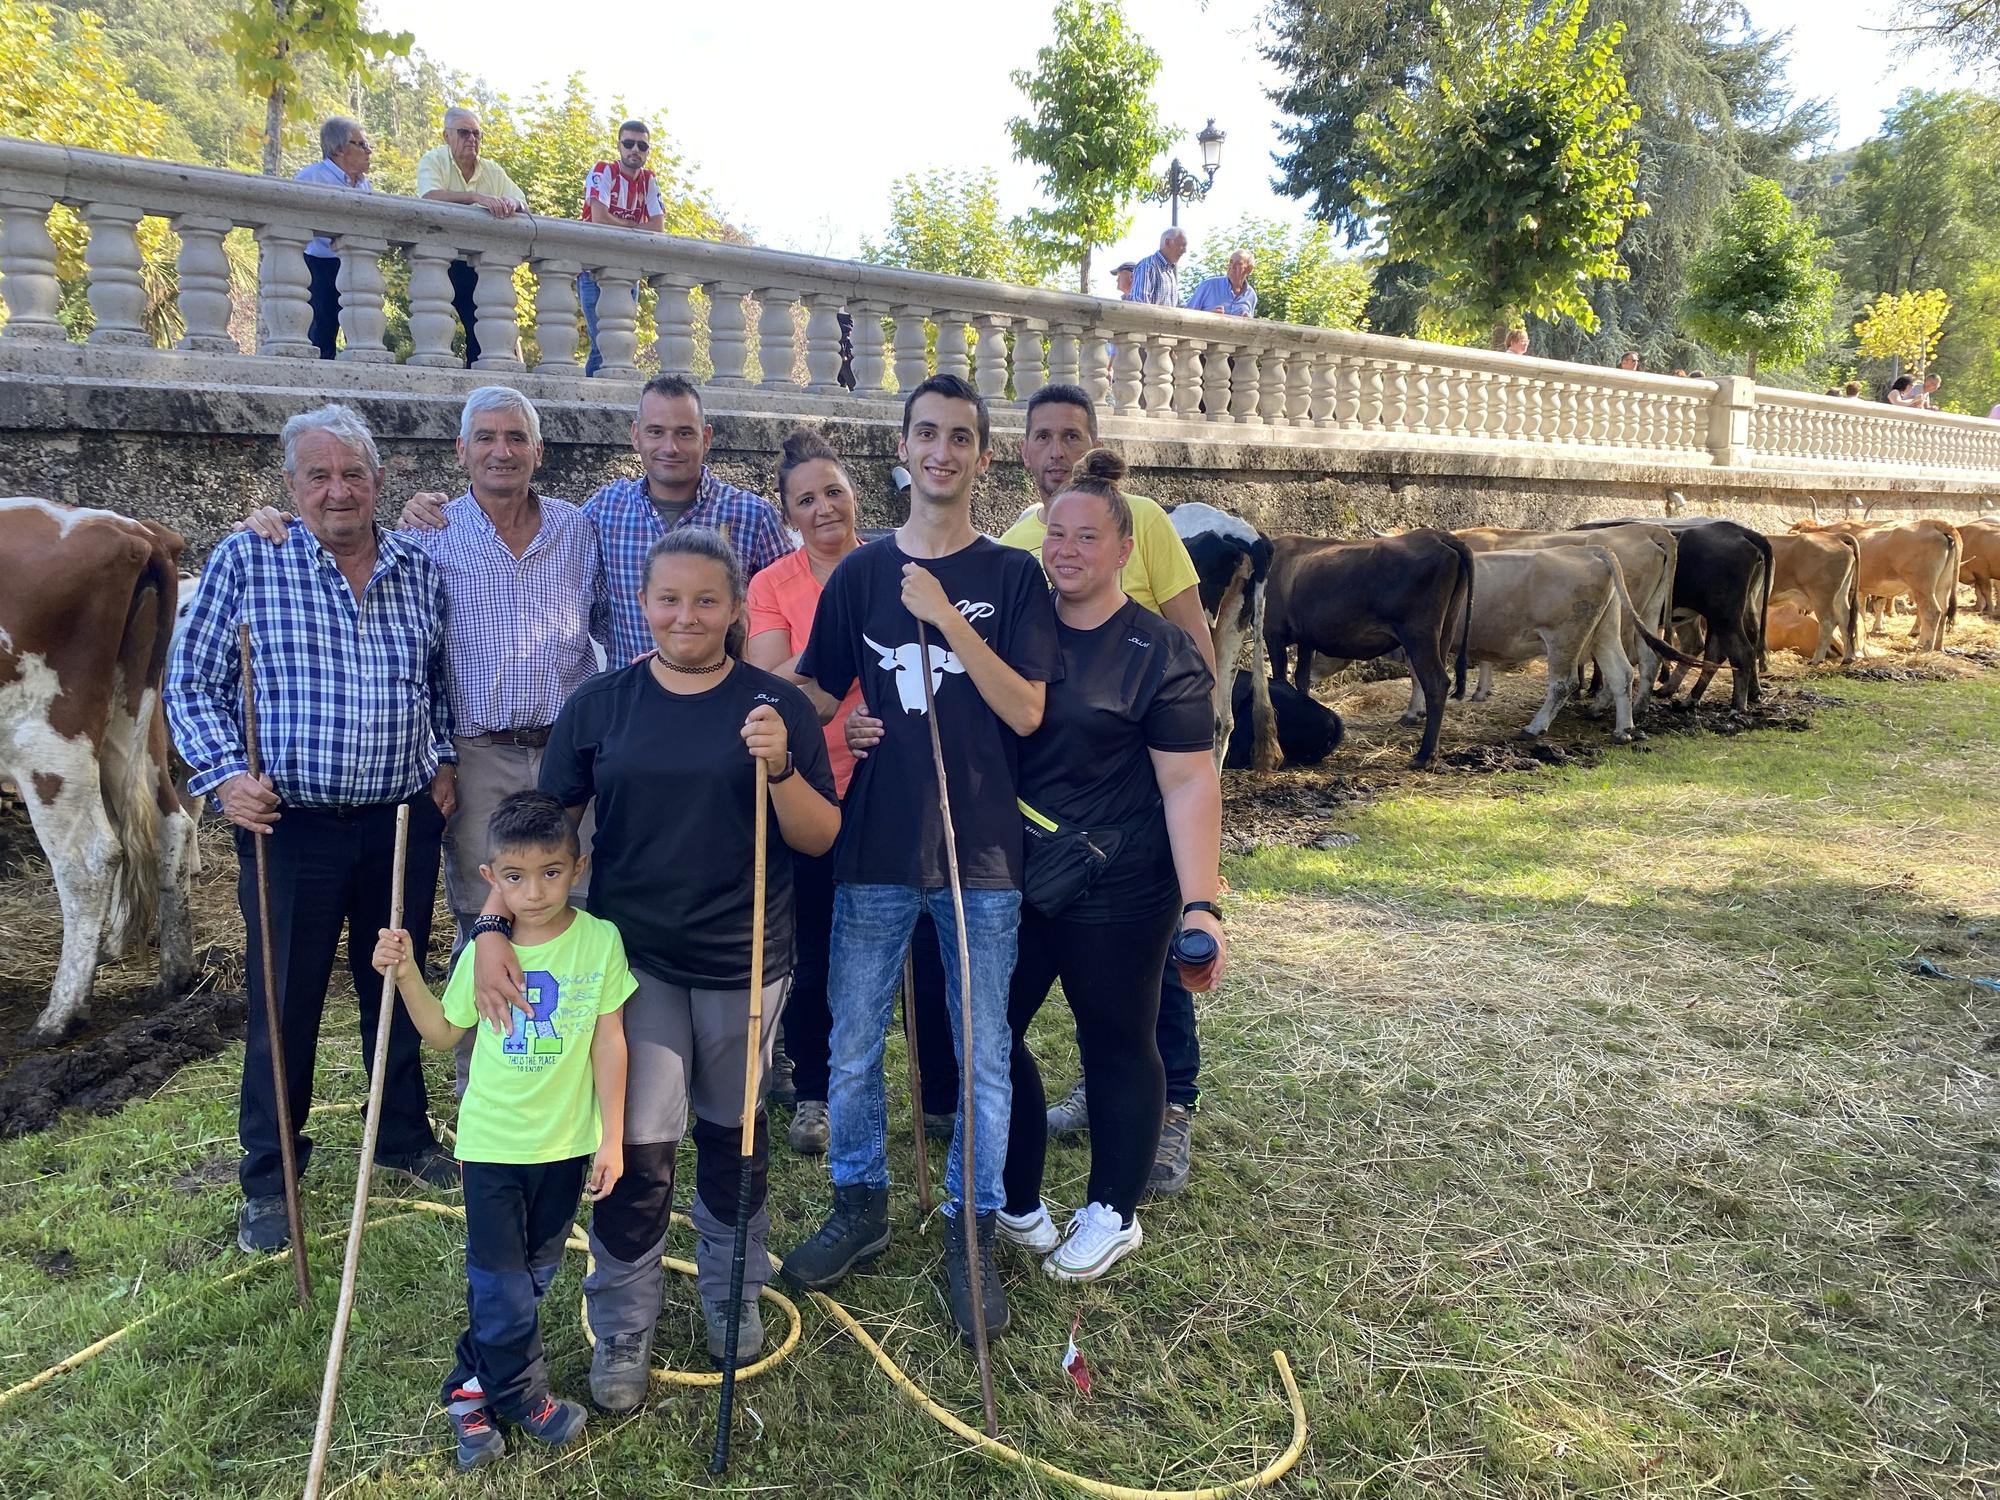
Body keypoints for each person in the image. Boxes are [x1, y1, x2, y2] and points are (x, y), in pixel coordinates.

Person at [470, 527, 838, 1408]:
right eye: (669, 598)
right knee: (638, 1145)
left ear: (735, 608)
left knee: (732, 1131)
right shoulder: (603, 705)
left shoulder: (772, 706)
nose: (687, 616)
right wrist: (490, 924)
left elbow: (819, 836)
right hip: (631, 965)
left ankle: (731, 1292)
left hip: (745, 958)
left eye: (707, 600)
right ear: (642, 603)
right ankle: (625, 1321)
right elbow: (536, 837)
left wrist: (780, 766)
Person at [779, 374, 1059, 1346]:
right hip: (875, 852)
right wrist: (789, 723)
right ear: (901, 449)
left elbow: (1025, 708)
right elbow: (815, 695)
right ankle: (857, 1200)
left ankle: (969, 1224)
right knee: (853, 1042)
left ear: (983, 456)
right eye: (925, 434)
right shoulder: (858, 575)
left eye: (961, 437)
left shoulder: (1011, 577)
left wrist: (944, 617)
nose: (941, 451)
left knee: (980, 1052)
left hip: (980, 854)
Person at [165, 404, 459, 1254]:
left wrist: (439, 758)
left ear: (379, 481)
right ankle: (273, 1174)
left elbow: (437, 685)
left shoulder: (417, 570)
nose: (339, 491)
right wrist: (225, 773)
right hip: (288, 825)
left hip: (399, 821)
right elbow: (190, 683)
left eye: (354, 474)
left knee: (396, 983)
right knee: (284, 999)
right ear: (291, 487)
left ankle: (402, 1136)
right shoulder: (251, 560)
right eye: (319, 476)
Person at [240, 387, 606, 965]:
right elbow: (420, 662)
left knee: (572, 904)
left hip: (566, 752)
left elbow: (613, 627)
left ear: (540, 450)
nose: (501, 451)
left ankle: (569, 1050)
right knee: (482, 911)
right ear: (460, 451)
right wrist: (442, 759)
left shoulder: (578, 529)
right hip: (478, 753)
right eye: (485, 437)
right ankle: (477, 1054)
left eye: (516, 437)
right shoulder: (425, 536)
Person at [999, 450, 1225, 1280]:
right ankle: (1015, 1194)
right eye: (1056, 532)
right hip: (1020, 873)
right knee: (990, 1035)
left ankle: (1111, 1212)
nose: (1066, 548)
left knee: (1116, 1041)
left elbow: (1190, 782)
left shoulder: (1159, 651)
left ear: (1125, 548)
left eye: (1087, 535)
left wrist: (1201, 906)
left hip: (1120, 882)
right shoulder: (1019, 625)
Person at [371, 791, 631, 1469]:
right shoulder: (483, 955)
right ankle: (523, 1396)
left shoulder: (599, 941)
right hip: (491, 1147)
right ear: (490, 878)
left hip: (568, 1145)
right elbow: (440, 1033)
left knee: (535, 1278)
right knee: (501, 1287)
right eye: (515, 876)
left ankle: (469, 1386)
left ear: (578, 868)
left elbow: (609, 1042)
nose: (535, 890)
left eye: (551, 871)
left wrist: (612, 1136)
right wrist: (403, 975)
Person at [400, 376, 793, 667]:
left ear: (706, 438)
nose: (669, 447)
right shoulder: (603, 512)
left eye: (684, 433)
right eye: (656, 432)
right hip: (628, 714)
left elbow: (794, 610)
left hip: (725, 712)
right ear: (636, 436)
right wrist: (416, 511)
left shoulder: (752, 516)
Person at [416, 107, 528, 367]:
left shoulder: (491, 170)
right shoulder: (433, 160)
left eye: (477, 134)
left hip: (481, 264)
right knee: (436, 330)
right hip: (439, 261)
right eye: (464, 132)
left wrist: (510, 203)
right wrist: (477, 198)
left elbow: (522, 201)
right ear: (446, 136)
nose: (472, 139)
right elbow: (429, 196)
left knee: (483, 333)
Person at [578, 121, 665, 376]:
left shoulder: (649, 180)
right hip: (591, 268)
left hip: (627, 273)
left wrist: (622, 225)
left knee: (619, 343)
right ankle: (591, 398)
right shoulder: (603, 171)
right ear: (619, 145)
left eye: (642, 145)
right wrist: (635, 224)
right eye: (628, 143)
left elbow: (658, 226)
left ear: (648, 150)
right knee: (602, 342)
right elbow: (599, 218)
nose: (634, 150)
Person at [295, 116, 374, 360]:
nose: (368, 150)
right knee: (320, 333)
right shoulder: (311, 179)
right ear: (340, 149)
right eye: (361, 144)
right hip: (318, 263)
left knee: (361, 333)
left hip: (354, 264)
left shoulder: (364, 184)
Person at [1183, 250, 1258, 318]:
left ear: (1249, 269)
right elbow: (1186, 315)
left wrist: (1247, 321)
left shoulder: (1251, 296)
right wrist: (1207, 317)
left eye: (1239, 263)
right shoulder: (1209, 286)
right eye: (1231, 262)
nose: (1232, 266)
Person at [1126, 228, 1187, 309]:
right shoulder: (1147, 266)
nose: (1185, 250)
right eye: (1182, 245)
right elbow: (1140, 306)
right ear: (1167, 242)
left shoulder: (1170, 272)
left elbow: (1177, 307)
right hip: (1148, 321)